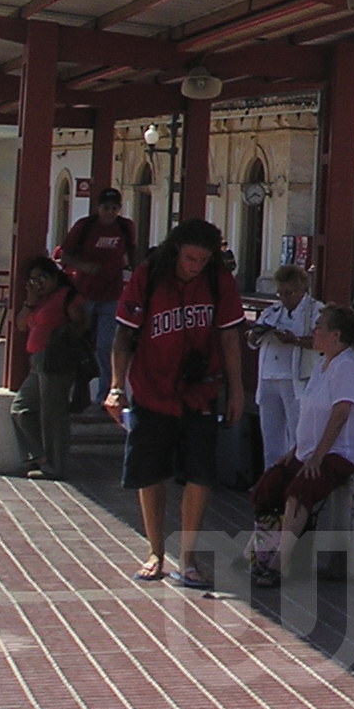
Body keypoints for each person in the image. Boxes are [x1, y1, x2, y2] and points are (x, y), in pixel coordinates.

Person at [104, 219, 247, 589]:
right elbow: (123, 336)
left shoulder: (218, 281)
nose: (195, 266)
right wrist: (117, 387)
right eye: (189, 258)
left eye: (202, 259)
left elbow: (230, 337)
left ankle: (188, 558)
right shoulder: (148, 276)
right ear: (175, 250)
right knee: (150, 473)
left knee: (200, 475)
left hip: (200, 391)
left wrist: (237, 390)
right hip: (152, 390)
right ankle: (155, 552)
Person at [248, 304, 354, 589]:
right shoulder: (323, 363)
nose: (314, 332)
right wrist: (293, 453)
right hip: (308, 450)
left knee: (300, 490)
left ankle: (279, 564)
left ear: (336, 335)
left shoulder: (348, 367)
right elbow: (310, 414)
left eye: (319, 327)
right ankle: (262, 552)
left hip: (341, 453)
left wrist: (317, 457)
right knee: (270, 484)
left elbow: (340, 414)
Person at [11, 257, 89, 480]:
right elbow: (19, 325)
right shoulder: (37, 300)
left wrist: (60, 339)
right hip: (36, 362)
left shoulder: (67, 296)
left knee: (53, 415)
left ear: (54, 277)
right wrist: (30, 301)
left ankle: (56, 465)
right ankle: (38, 456)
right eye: (33, 279)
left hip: (56, 361)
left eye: (42, 278)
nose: (38, 283)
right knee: (21, 409)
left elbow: (81, 324)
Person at [60, 188, 137, 404]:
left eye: (114, 208)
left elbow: (132, 252)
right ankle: (75, 391)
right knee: (79, 344)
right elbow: (64, 255)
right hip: (84, 294)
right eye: (105, 208)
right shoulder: (84, 227)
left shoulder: (125, 227)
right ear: (98, 208)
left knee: (106, 345)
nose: (110, 213)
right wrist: (83, 266)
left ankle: (105, 393)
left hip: (111, 295)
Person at [248, 265, 318, 468]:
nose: (284, 297)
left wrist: (294, 340)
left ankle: (294, 480)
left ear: (302, 289)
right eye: (280, 292)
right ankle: (271, 481)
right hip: (269, 377)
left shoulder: (315, 310)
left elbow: (321, 342)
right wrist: (255, 334)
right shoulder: (273, 311)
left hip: (295, 379)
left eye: (289, 293)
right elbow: (252, 342)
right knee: (271, 436)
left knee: (297, 434)